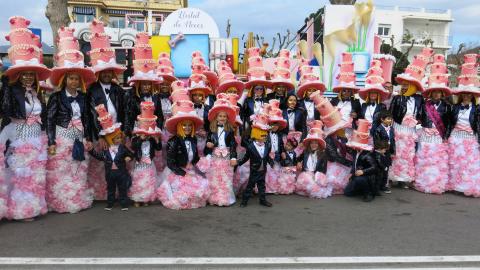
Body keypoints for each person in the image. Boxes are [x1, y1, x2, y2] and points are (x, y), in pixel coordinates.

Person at [0, 16, 51, 221]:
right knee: (21, 174)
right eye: (25, 74)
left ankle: (33, 207)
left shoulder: (37, 93)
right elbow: (5, 110)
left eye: (31, 74)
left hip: (36, 137)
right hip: (19, 136)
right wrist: (6, 83)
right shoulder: (11, 92)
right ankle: (20, 209)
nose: (29, 77)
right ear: (18, 75)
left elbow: (43, 114)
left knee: (35, 174)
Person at [45, 27, 97, 213]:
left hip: (80, 138)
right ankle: (61, 202)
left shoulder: (84, 97)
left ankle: (76, 199)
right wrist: (51, 142)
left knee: (78, 170)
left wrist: (89, 139)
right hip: (62, 138)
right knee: (61, 171)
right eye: (71, 79)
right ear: (65, 80)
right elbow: (50, 120)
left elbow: (88, 120)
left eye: (76, 79)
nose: (74, 82)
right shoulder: (56, 97)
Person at [86, 19, 127, 200]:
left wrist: (123, 131)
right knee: (103, 163)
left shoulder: (118, 89)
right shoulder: (92, 90)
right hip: (101, 133)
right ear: (98, 72)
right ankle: (103, 194)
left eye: (109, 71)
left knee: (119, 162)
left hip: (118, 132)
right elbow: (90, 114)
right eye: (104, 71)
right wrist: (101, 136)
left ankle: (119, 192)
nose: (107, 74)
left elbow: (124, 112)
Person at [156, 81, 210, 210]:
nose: (187, 127)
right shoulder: (173, 141)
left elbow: (195, 157)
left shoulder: (193, 140)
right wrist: (182, 173)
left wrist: (204, 162)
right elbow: (170, 162)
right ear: (179, 126)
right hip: (177, 172)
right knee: (181, 196)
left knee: (199, 191)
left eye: (189, 125)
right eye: (184, 125)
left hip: (189, 170)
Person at [390, 48, 432, 187]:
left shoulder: (419, 99)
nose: (404, 87)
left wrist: (419, 121)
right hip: (398, 128)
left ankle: (404, 179)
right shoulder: (397, 99)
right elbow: (391, 113)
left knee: (408, 155)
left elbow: (423, 113)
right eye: (403, 85)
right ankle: (393, 177)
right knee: (396, 153)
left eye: (407, 85)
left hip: (411, 130)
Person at [415, 54, 451, 194]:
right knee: (424, 159)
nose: (436, 95)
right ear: (430, 93)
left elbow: (449, 123)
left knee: (437, 160)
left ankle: (436, 183)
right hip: (426, 135)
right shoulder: (424, 105)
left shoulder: (447, 107)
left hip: (438, 137)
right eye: (434, 92)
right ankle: (422, 182)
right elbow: (419, 118)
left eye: (439, 92)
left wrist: (445, 136)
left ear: (442, 94)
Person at [87, 105, 133, 211]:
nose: (119, 140)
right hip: (110, 174)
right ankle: (110, 204)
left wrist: (129, 157)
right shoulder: (106, 150)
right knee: (110, 189)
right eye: (116, 138)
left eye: (120, 137)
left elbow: (131, 154)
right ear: (110, 139)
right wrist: (91, 151)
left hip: (121, 173)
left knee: (122, 188)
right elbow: (99, 157)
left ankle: (124, 203)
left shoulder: (123, 148)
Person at [446, 53, 480, 197]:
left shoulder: (477, 109)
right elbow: (449, 122)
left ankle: (466, 186)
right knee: (454, 163)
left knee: (467, 164)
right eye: (464, 94)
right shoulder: (455, 107)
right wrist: (446, 136)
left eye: (468, 94)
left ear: (472, 95)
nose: (466, 96)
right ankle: (454, 185)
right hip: (455, 137)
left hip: (469, 139)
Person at [204, 95, 238, 206]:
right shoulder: (211, 130)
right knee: (214, 178)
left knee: (226, 178)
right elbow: (208, 144)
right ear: (216, 118)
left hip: (226, 157)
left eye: (224, 116)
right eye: (220, 116)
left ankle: (225, 198)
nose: (222, 118)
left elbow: (233, 145)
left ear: (227, 118)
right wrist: (208, 146)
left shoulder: (230, 131)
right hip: (215, 157)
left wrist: (233, 157)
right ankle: (214, 198)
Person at [129, 102, 162, 207]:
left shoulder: (152, 139)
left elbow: (158, 148)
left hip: (149, 163)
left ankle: (146, 198)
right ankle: (137, 199)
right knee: (138, 180)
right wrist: (140, 139)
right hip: (139, 163)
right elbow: (133, 147)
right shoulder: (136, 138)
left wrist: (157, 140)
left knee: (148, 180)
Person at [237, 114, 274, 207]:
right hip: (254, 169)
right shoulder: (251, 146)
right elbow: (246, 157)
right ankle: (244, 201)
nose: (265, 135)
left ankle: (263, 200)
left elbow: (266, 156)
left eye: (266, 133)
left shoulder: (268, 145)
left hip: (263, 169)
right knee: (250, 186)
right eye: (262, 133)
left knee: (262, 186)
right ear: (256, 133)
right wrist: (239, 162)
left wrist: (271, 162)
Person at [295, 121, 331, 199]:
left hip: (316, 175)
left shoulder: (323, 155)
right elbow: (298, 158)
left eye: (316, 143)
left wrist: (316, 177)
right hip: (305, 175)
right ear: (309, 144)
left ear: (318, 145)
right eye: (312, 143)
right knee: (306, 184)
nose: (313, 145)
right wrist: (298, 162)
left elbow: (323, 170)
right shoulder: (305, 152)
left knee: (315, 189)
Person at [345, 120, 377, 202]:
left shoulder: (367, 154)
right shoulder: (355, 152)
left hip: (367, 177)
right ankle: (360, 189)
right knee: (347, 193)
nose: (355, 147)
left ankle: (368, 193)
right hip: (356, 175)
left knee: (359, 179)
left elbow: (374, 168)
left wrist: (363, 171)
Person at [331, 52, 361, 131]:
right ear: (340, 91)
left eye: (349, 91)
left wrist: (356, 115)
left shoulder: (356, 102)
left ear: (351, 92)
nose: (346, 93)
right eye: (344, 91)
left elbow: (361, 116)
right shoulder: (334, 101)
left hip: (350, 129)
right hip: (335, 129)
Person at [358, 60, 390, 132]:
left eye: (375, 93)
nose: (373, 94)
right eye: (371, 93)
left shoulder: (382, 106)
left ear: (378, 94)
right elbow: (360, 118)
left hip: (376, 132)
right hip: (364, 131)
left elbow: (384, 120)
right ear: (368, 94)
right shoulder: (364, 105)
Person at [265, 100, 287, 194]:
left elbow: (281, 144)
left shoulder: (279, 135)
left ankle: (273, 188)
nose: (275, 127)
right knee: (267, 173)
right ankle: (266, 188)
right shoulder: (265, 134)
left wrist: (282, 152)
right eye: (272, 124)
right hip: (268, 155)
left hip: (277, 155)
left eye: (276, 125)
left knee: (276, 172)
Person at [371, 110, 395, 194]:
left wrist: (393, 151)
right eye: (388, 119)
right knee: (380, 169)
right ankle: (377, 186)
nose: (390, 120)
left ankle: (384, 185)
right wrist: (381, 150)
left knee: (386, 168)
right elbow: (376, 141)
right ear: (382, 119)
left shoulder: (391, 129)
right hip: (380, 152)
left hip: (387, 152)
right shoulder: (378, 129)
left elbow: (393, 140)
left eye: (391, 119)